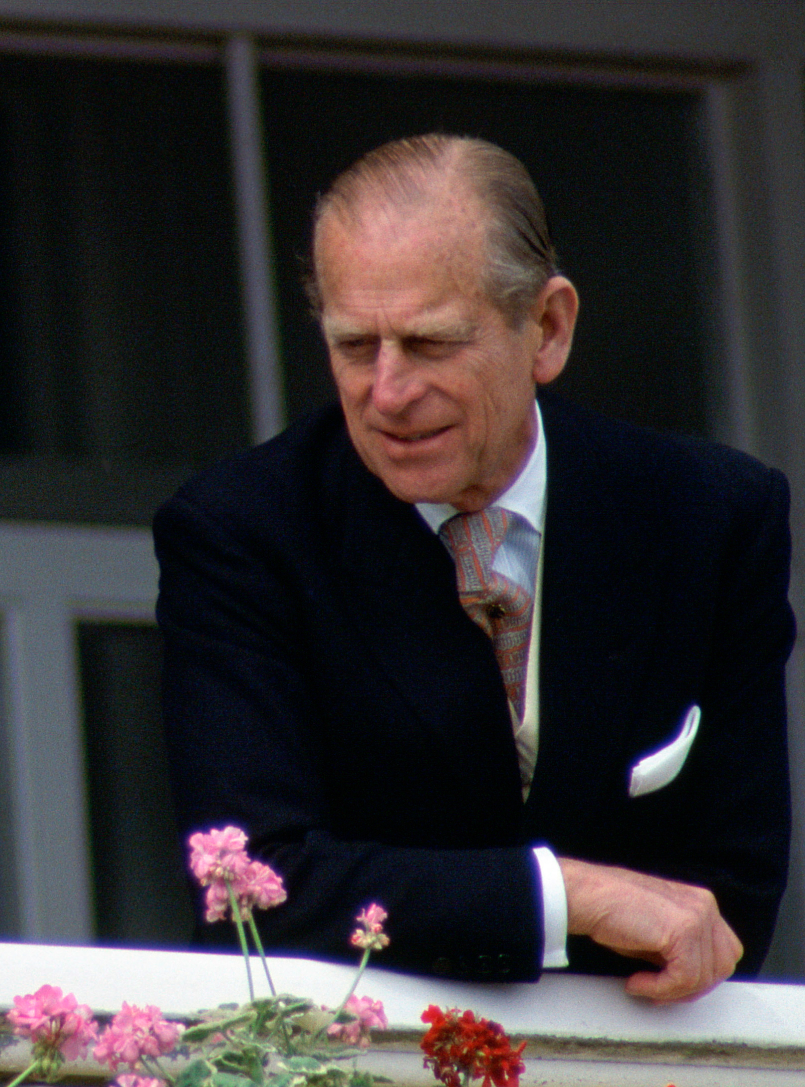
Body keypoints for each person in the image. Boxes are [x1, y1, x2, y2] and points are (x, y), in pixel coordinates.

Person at [156, 134, 790, 1002]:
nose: (386, 391)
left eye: (429, 344)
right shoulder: (243, 532)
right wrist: (568, 897)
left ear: (547, 328)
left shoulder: (709, 517)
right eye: (353, 346)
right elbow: (252, 884)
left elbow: (727, 904)